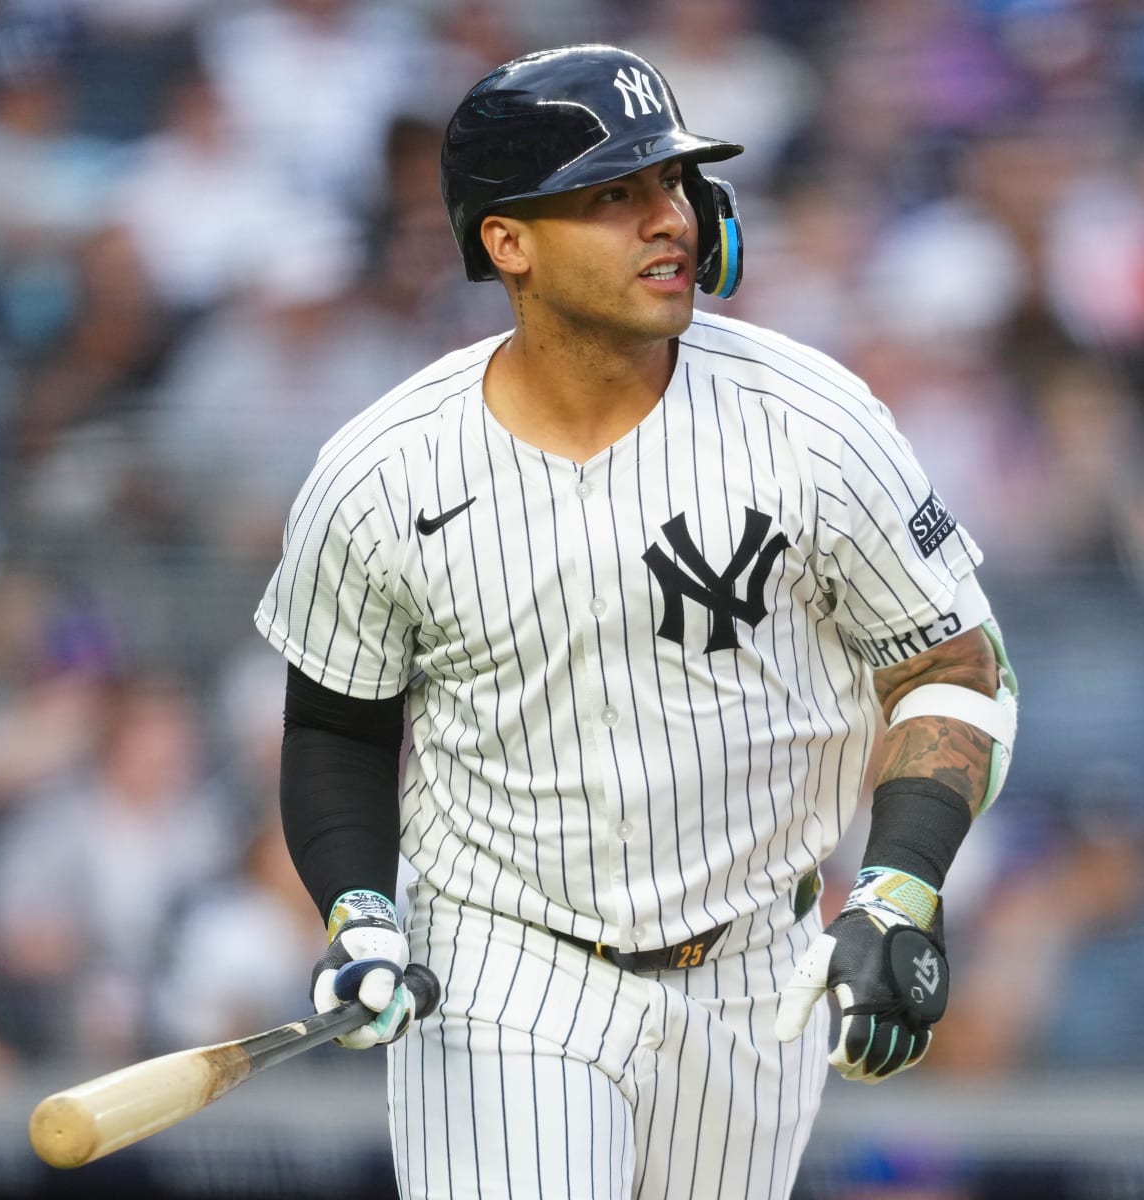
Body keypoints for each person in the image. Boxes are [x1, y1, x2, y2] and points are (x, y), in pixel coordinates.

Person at [252, 44, 1018, 1200]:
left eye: (675, 184)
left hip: (755, 972)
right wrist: (362, 910)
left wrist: (900, 886)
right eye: (615, 195)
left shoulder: (814, 424)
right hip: (506, 966)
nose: (669, 219)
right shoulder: (382, 469)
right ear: (505, 242)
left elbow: (958, 670)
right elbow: (335, 730)